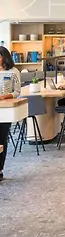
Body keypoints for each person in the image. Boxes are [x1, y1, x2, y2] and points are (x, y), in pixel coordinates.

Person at [0, 46, 21, 181]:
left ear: (4, 57)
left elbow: (17, 92)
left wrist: (4, 97)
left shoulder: (13, 72)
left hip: (5, 110)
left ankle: (0, 169)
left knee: (2, 140)